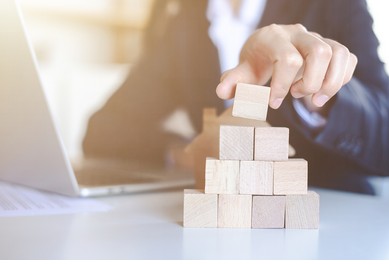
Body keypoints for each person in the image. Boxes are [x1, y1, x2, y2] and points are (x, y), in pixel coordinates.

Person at [82, 0, 389, 194]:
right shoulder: (185, 22)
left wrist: (318, 95)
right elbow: (102, 130)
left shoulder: (335, 5)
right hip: (216, 232)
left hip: (330, 223)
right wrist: (190, 154)